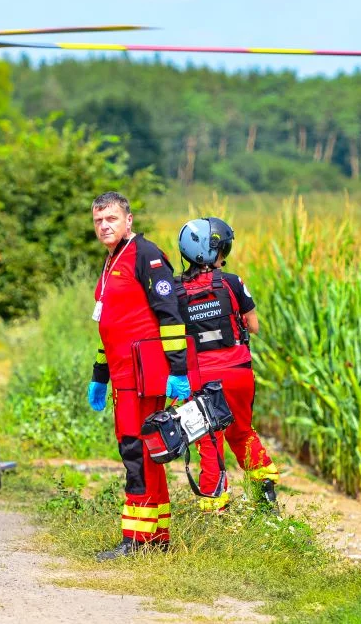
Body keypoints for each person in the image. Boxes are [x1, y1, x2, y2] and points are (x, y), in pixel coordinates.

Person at [87, 191, 191, 561]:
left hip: (144, 371)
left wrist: (178, 370)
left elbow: (171, 316)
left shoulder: (146, 255)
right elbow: (109, 326)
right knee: (146, 448)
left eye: (111, 218)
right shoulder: (111, 259)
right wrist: (100, 374)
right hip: (121, 373)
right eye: (99, 220)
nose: (104, 226)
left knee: (137, 447)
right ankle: (157, 534)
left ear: (128, 220)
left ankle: (137, 539)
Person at [176, 217, 280, 512]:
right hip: (238, 373)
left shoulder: (175, 290)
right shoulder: (232, 282)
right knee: (243, 432)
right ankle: (266, 503)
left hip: (200, 378)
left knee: (210, 441)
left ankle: (215, 511)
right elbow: (254, 326)